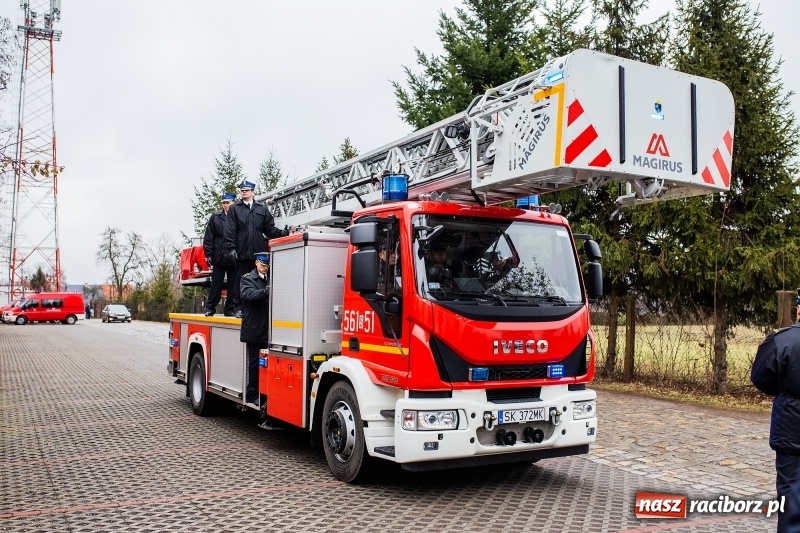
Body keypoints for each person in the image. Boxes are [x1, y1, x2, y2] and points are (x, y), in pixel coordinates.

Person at [751, 325, 800, 533]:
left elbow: (760, 376)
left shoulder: (781, 340)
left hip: (791, 430)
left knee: (791, 493)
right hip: (790, 431)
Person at [224, 180, 289, 317]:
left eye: (246, 190)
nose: (244, 192)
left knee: (260, 278)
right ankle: (239, 307)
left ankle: (259, 307)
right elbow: (229, 230)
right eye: (242, 190)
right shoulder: (234, 209)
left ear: (253, 192)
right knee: (240, 280)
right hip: (241, 251)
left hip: (258, 251)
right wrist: (231, 248)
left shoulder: (262, 209)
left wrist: (282, 233)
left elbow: (269, 229)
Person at [240, 251, 271, 406]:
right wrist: (265, 291)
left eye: (267, 266)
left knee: (266, 364)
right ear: (256, 263)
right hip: (254, 328)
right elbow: (249, 295)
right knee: (254, 364)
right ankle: (252, 393)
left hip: (267, 329)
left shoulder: (271, 279)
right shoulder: (247, 279)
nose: (265, 268)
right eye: (263, 265)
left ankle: (264, 391)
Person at [202, 193, 237, 317]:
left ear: (234, 202)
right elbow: (209, 237)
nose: (226, 205)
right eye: (224, 203)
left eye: (228, 203)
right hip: (219, 256)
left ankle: (229, 309)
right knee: (216, 284)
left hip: (234, 256)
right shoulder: (215, 217)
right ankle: (210, 308)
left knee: (234, 285)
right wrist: (209, 255)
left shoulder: (238, 216)